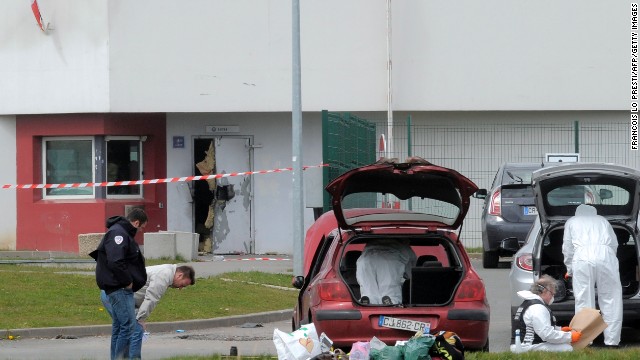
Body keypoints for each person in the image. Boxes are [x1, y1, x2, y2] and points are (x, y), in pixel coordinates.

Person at [100, 264, 196, 359]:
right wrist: (140, 319)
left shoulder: (166, 271)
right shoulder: (164, 275)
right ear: (180, 275)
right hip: (116, 295)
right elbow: (151, 299)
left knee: (120, 329)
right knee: (136, 329)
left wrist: (139, 316)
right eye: (183, 285)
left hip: (111, 293)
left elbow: (141, 297)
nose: (180, 288)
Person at [90, 208, 148, 360]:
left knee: (119, 326)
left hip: (117, 286)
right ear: (136, 222)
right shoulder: (119, 234)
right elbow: (116, 261)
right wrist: (127, 281)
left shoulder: (122, 232)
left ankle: (116, 357)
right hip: (119, 287)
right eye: (141, 227)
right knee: (128, 326)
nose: (140, 230)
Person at [562, 204, 622, 347]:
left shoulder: (571, 221)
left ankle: (586, 340)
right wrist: (609, 258)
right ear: (594, 212)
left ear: (577, 213)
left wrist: (569, 269)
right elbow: (614, 244)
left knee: (583, 299)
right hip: (606, 256)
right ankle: (612, 342)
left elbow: (567, 248)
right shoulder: (603, 220)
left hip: (582, 257)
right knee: (611, 298)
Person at [511, 275, 581, 352]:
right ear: (544, 291)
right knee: (567, 348)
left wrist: (560, 329)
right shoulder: (537, 308)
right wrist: (570, 336)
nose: (552, 297)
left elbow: (538, 327)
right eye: (552, 294)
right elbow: (547, 335)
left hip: (521, 345)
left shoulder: (530, 303)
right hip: (527, 347)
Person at [355, 239, 417, 305]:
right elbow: (410, 273)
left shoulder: (371, 242)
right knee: (389, 288)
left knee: (367, 287)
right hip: (390, 261)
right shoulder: (404, 247)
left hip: (365, 260)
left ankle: (369, 300)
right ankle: (391, 301)